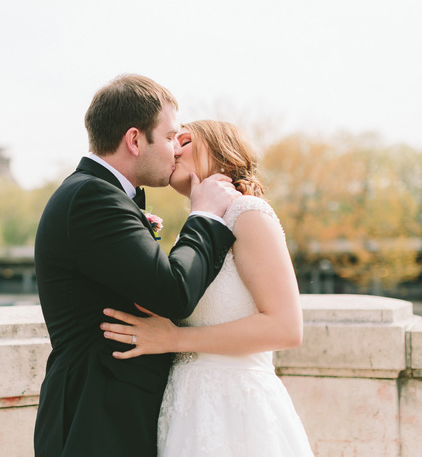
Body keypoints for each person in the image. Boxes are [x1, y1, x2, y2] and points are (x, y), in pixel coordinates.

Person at [33, 76, 241, 456]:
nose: (175, 150)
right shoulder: (92, 198)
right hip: (95, 419)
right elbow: (174, 295)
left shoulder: (96, 193)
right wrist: (204, 217)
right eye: (168, 137)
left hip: (108, 410)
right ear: (134, 140)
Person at [101, 120, 313, 456]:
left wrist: (173, 339)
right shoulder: (201, 225)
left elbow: (286, 327)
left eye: (182, 140)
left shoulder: (248, 214)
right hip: (184, 410)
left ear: (219, 149)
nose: (172, 149)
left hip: (238, 413)